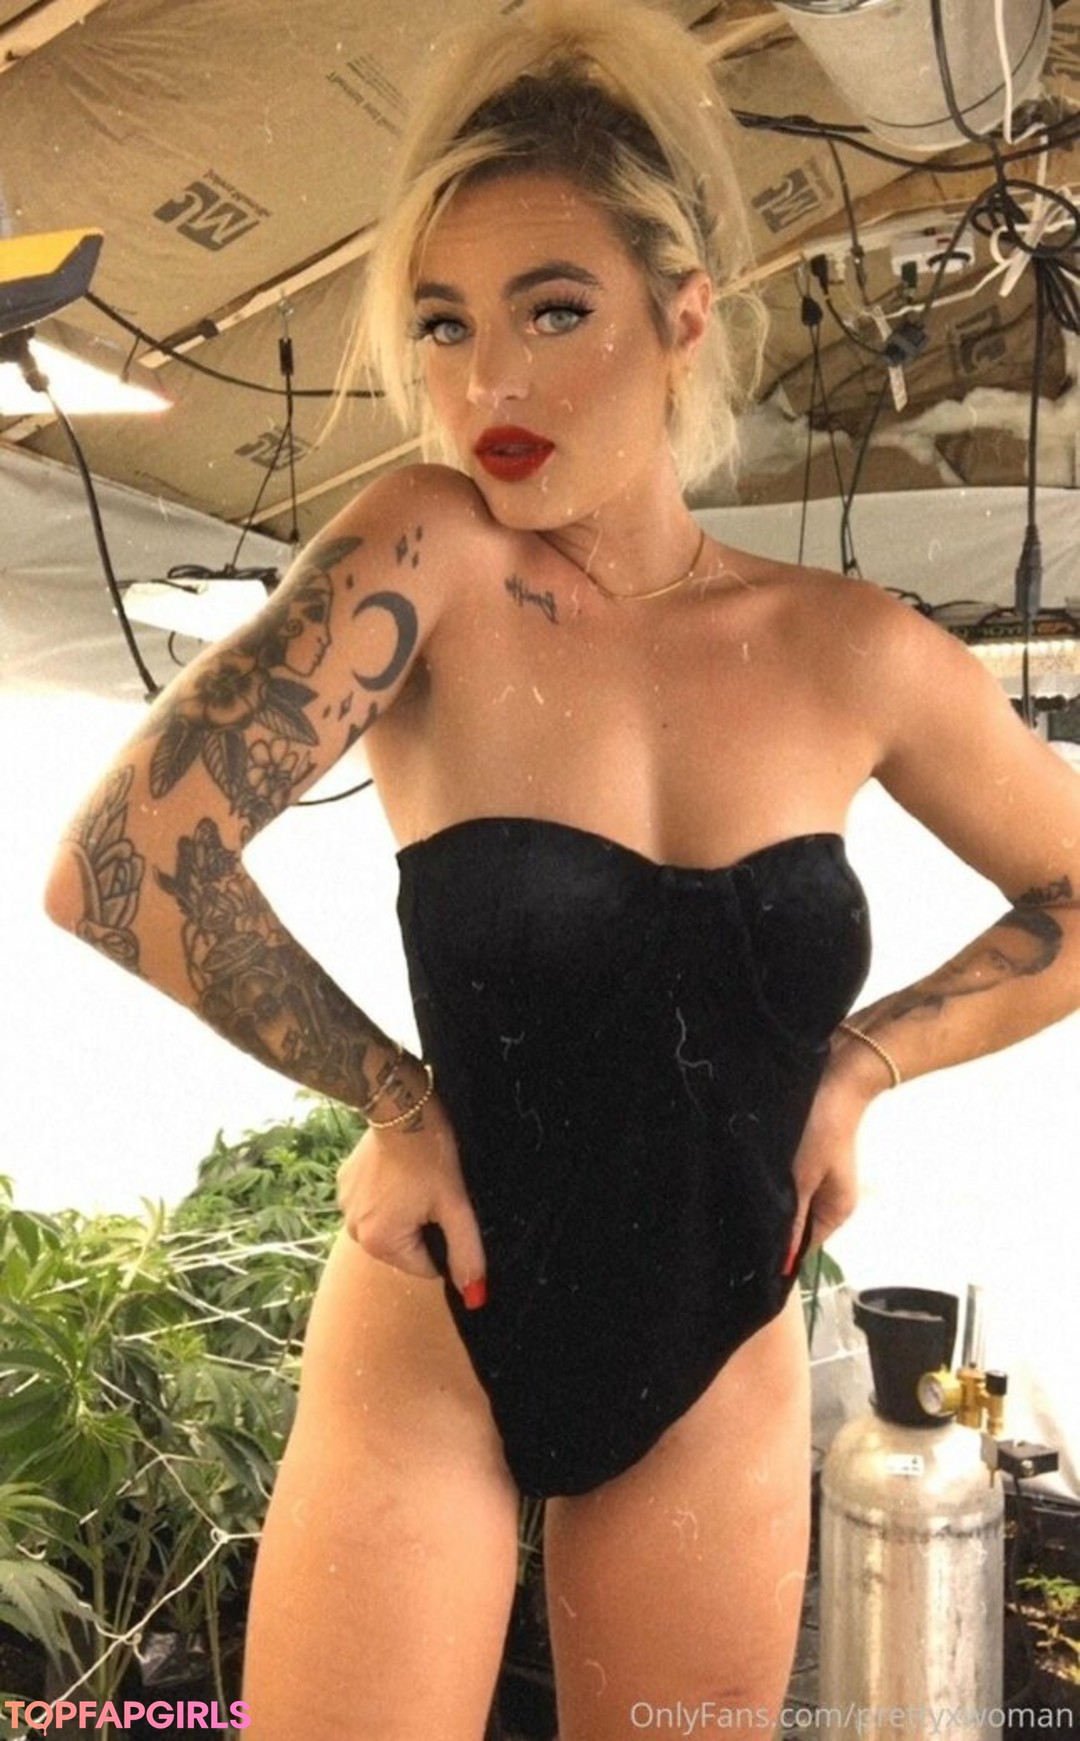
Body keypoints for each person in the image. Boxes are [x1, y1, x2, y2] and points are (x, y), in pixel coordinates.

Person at [44, 1, 1080, 1735]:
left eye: (553, 311)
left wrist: (861, 1063)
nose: (488, 386)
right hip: (437, 1324)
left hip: (722, 1340)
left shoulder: (849, 647)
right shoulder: (430, 551)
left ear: (684, 318)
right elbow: (123, 860)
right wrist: (392, 1097)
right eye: (444, 325)